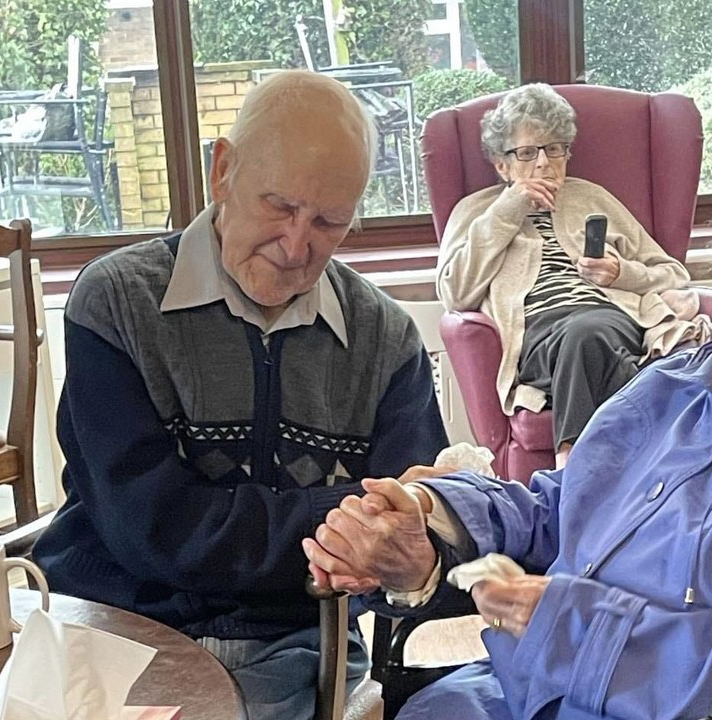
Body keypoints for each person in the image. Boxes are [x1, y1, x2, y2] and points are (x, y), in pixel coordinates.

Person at [304, 166, 712, 719]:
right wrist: (437, 514)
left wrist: (571, 627)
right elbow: (566, 503)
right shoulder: (678, 385)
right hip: (538, 687)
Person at [32, 70, 448, 720]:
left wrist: (399, 543)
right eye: (279, 206)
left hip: (291, 646)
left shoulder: (385, 340)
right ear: (222, 171)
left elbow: (410, 532)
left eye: (329, 221)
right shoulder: (116, 303)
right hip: (116, 630)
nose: (296, 246)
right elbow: (152, 529)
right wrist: (337, 518)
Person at [437, 83, 712, 468]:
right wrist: (509, 209)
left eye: (554, 149)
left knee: (588, 332)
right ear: (502, 165)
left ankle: (568, 472)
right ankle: (656, 439)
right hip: (537, 339)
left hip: (612, 320)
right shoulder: (475, 212)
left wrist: (621, 273)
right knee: (587, 340)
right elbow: (455, 292)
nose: (543, 163)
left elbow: (671, 274)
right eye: (527, 153)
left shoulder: (591, 197)